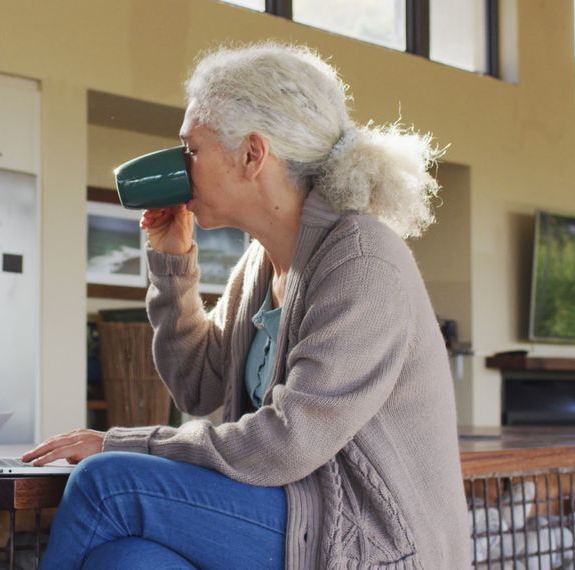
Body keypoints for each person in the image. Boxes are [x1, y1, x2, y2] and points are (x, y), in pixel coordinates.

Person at [23, 42, 472, 569]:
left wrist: (122, 444)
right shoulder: (261, 264)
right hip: (291, 516)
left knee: (108, 483)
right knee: (128, 560)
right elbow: (197, 384)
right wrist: (173, 268)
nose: (182, 165)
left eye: (191, 149)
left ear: (252, 155)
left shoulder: (362, 260)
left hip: (365, 541)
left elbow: (288, 441)